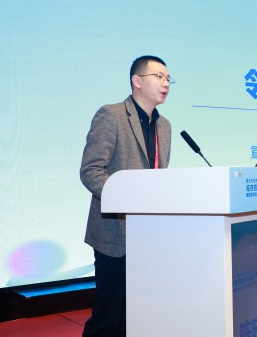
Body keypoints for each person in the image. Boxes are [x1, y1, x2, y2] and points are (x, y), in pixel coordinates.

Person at [80, 55, 173, 336]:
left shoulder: (164, 126)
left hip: (148, 235)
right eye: (159, 76)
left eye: (169, 79)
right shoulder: (112, 115)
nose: (166, 83)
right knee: (108, 319)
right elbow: (91, 171)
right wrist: (129, 200)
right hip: (114, 234)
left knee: (137, 318)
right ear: (137, 81)